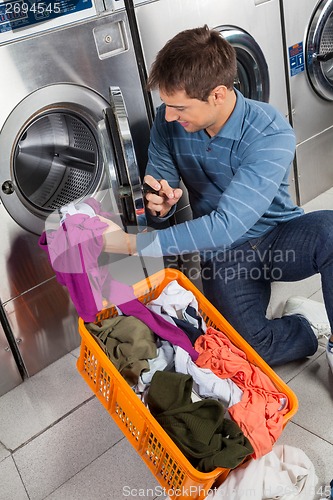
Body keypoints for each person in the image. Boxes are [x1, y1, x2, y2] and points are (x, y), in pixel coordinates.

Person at [100, 25, 333, 369]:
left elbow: (226, 224)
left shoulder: (270, 132)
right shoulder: (171, 125)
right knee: (249, 350)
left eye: (179, 107)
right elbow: (161, 191)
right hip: (224, 254)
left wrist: (132, 244)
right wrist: (161, 205)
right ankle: (305, 325)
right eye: (165, 105)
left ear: (218, 95)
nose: (168, 116)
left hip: (277, 236)